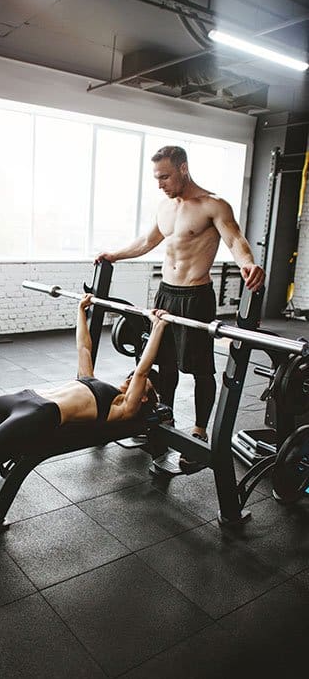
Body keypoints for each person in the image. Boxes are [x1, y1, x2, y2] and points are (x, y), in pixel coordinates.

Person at [0, 295, 168, 602]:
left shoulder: (123, 408)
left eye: (143, 386)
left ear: (143, 399)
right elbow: (84, 348)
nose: (133, 379)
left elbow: (142, 371)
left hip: (41, 414)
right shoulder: (95, 381)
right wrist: (81, 311)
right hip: (22, 397)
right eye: (132, 378)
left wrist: (158, 327)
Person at [95, 145, 265, 450]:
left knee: (200, 368)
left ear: (183, 169)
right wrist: (114, 255)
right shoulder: (165, 207)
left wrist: (247, 263)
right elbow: (147, 241)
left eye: (165, 177)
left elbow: (234, 239)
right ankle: (166, 416)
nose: (160, 184)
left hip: (195, 296)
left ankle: (200, 429)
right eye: (157, 178)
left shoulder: (212, 205)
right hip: (166, 294)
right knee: (165, 363)